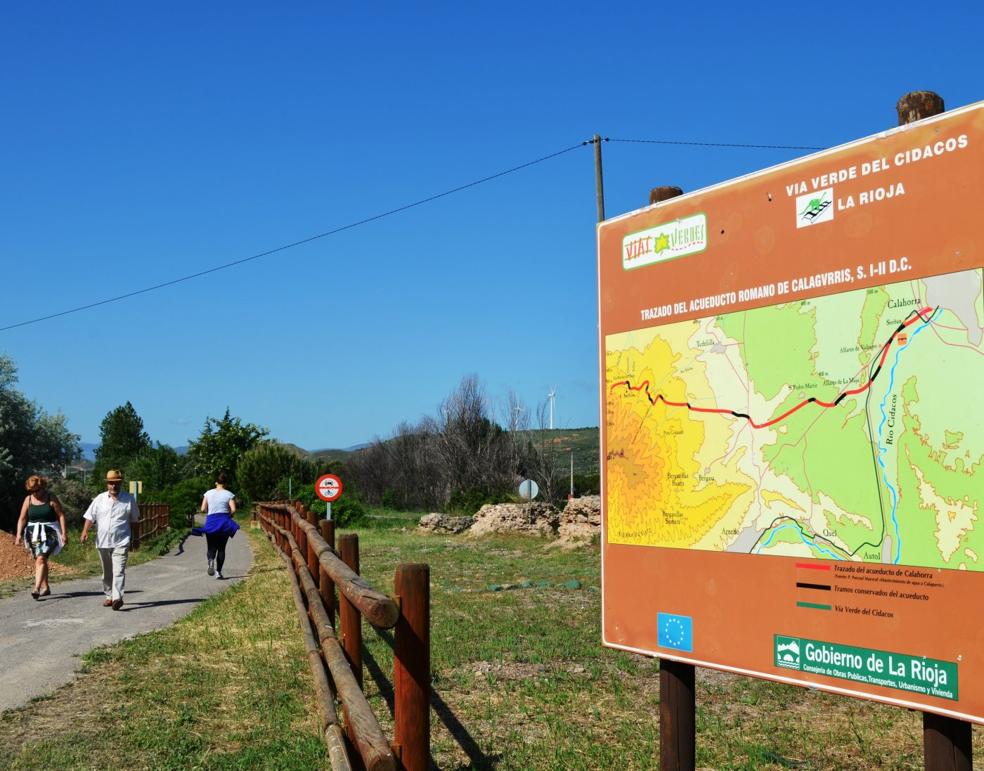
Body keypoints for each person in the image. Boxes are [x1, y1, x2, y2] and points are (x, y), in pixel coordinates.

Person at [80, 469, 140, 610]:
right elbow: (90, 517)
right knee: (107, 571)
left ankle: (117, 598)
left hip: (121, 541)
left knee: (118, 570)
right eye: (111, 483)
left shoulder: (129, 500)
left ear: (121, 484)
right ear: (107, 484)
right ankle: (109, 595)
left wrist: (136, 539)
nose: (114, 486)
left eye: (116, 483)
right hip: (103, 542)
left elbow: (135, 521)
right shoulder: (99, 499)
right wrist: (84, 531)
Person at [14, 475, 68, 600]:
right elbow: (22, 518)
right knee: (40, 559)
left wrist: (64, 533)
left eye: (36, 490)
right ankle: (46, 587)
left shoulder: (51, 497)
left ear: (42, 487)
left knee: (41, 558)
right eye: (32, 491)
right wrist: (18, 535)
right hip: (33, 533)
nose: (34, 493)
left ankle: (36, 588)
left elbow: (61, 515)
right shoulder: (28, 500)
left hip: (50, 532)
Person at [199, 472, 239, 579]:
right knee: (221, 548)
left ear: (216, 482)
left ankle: (210, 560)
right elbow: (234, 509)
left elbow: (202, 509)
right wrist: (229, 515)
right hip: (224, 522)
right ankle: (218, 572)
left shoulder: (208, 493)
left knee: (211, 547)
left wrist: (210, 511)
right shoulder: (229, 494)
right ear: (225, 483)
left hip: (211, 521)